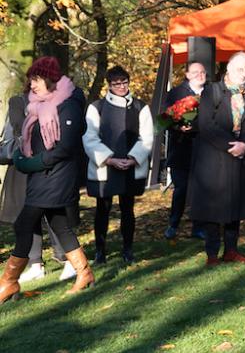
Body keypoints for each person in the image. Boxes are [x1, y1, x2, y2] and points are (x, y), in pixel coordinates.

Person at [1, 57, 94, 302]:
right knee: (59, 224)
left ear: (51, 80)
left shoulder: (70, 103)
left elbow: (66, 147)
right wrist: (23, 155)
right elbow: (30, 137)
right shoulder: (38, 105)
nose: (32, 85)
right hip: (42, 176)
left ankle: (9, 282)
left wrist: (34, 163)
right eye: (31, 80)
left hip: (58, 175)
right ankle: (84, 273)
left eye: (37, 80)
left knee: (23, 224)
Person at [190, 52, 245, 266]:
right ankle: (212, 253)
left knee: (236, 205)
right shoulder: (212, 91)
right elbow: (206, 124)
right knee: (214, 206)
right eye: (240, 69)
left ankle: (231, 250)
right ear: (229, 70)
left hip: (242, 156)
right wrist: (230, 146)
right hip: (216, 156)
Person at [83, 66, 154, 266]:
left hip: (131, 166)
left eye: (124, 82)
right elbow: (89, 138)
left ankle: (128, 250)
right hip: (105, 167)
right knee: (102, 210)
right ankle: (100, 251)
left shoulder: (141, 107)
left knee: (127, 209)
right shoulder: (96, 107)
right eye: (116, 83)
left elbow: (147, 137)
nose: (121, 87)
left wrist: (134, 158)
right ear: (109, 85)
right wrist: (109, 159)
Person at [163, 61, 207, 240]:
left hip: (204, 151)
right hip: (180, 150)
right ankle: (173, 224)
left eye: (203, 72)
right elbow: (164, 119)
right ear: (187, 75)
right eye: (195, 72)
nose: (200, 75)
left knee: (200, 190)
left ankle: (198, 227)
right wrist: (177, 126)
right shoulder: (175, 93)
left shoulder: (212, 93)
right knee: (181, 189)